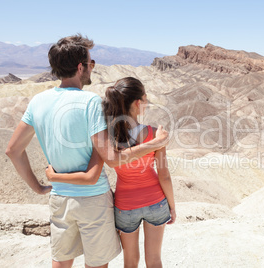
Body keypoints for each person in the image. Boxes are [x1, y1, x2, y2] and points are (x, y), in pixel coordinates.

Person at [5, 35, 169, 268]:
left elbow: (12, 150)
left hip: (59, 197)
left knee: (61, 261)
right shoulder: (90, 102)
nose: (92, 68)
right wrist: (153, 144)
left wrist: (40, 188)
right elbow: (112, 160)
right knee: (96, 263)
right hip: (93, 199)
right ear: (81, 67)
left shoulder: (37, 101)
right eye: (91, 63)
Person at [46, 77, 176, 268]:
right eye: (146, 99)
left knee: (130, 260)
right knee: (154, 259)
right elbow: (164, 175)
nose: (147, 103)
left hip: (125, 206)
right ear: (138, 102)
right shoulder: (155, 134)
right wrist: (172, 206)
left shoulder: (109, 138)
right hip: (155, 202)